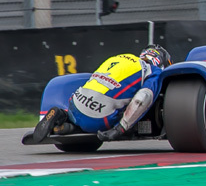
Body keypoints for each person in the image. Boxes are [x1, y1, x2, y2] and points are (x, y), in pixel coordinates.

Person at [31, 45, 173, 143]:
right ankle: (107, 125)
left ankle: (63, 119)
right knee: (131, 108)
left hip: (75, 104)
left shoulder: (120, 57)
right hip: (101, 118)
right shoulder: (153, 71)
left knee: (86, 115)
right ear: (162, 63)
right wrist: (120, 128)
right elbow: (142, 99)